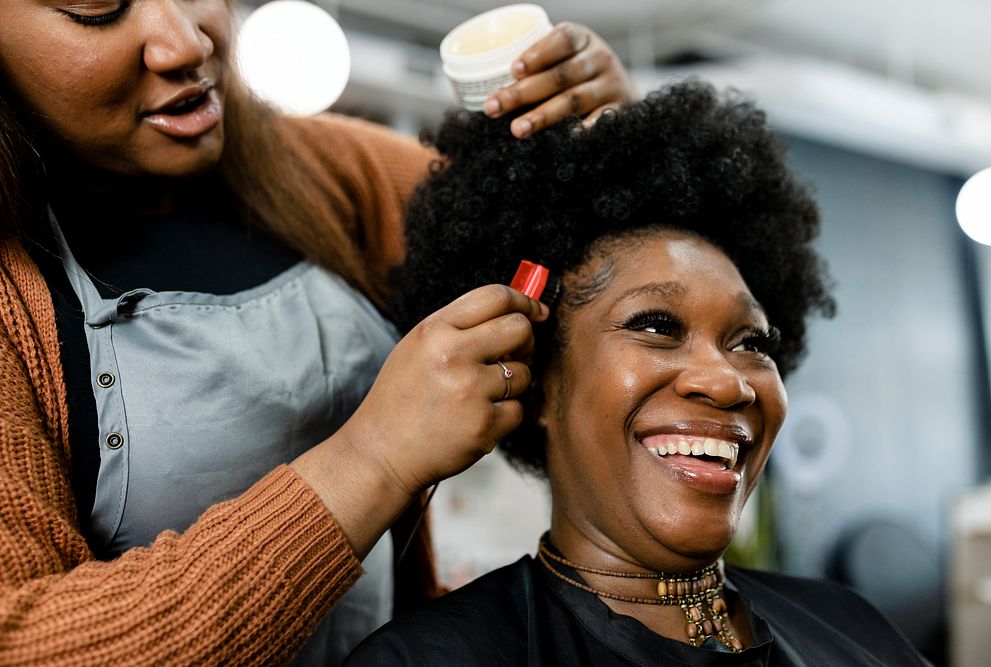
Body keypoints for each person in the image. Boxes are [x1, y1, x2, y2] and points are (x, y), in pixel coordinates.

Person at [0, 0, 638, 664]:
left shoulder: (318, 168)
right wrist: (372, 459)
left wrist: (606, 141)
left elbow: (590, 275)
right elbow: (24, 646)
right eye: (97, 10)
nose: (186, 42)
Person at [346, 82, 932, 665]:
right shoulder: (431, 659)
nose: (730, 383)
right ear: (535, 376)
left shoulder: (851, 625)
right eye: (655, 325)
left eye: (749, 341)